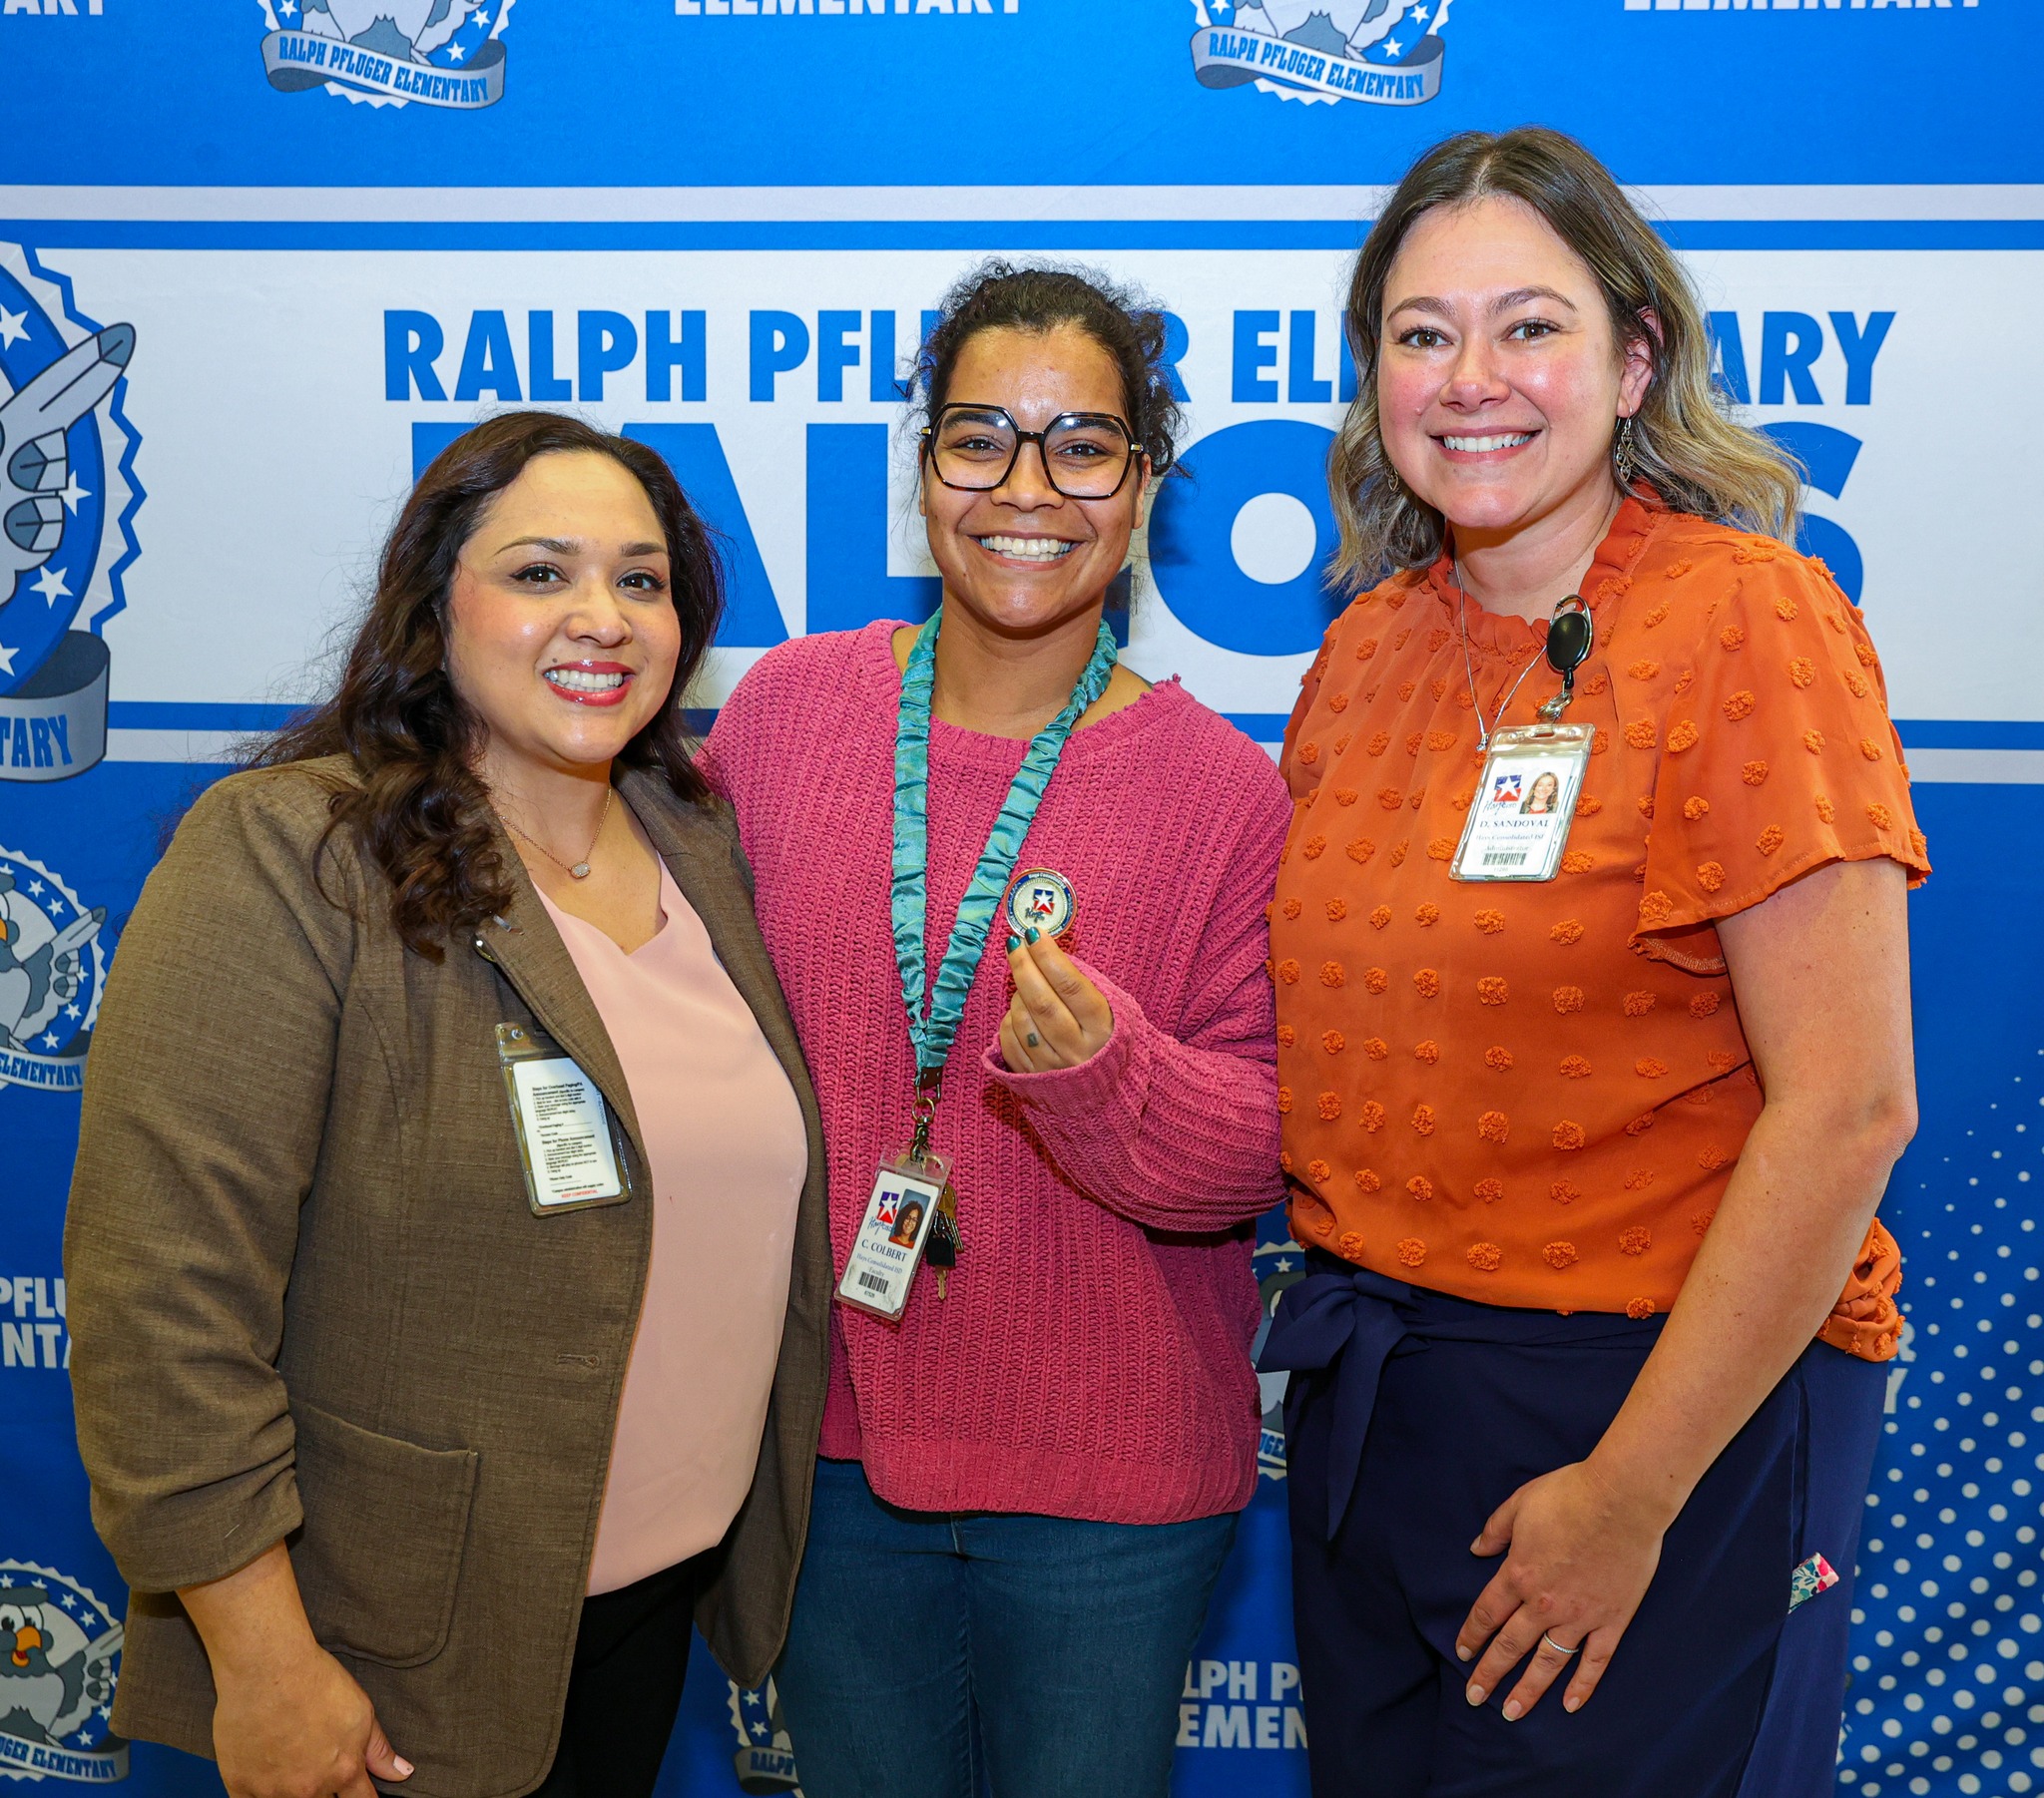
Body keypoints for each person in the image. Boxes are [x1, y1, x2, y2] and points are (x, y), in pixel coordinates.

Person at [1262, 127, 1927, 1798]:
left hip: (1652, 1400)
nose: (1471, 378)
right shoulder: (1366, 646)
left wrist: (1632, 1491)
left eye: (1528, 326)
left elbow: (1848, 1107)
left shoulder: (1748, 621)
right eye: (1422, 335)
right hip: (1376, 1389)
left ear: (1635, 360)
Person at [64, 412, 830, 1798]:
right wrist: (264, 1661)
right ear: (435, 602)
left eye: (643, 580)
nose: (602, 616)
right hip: (385, 1654)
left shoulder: (698, 845)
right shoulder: (297, 854)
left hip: (647, 1605)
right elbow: (158, 1301)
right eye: (542, 571)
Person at [703, 261, 1290, 1798]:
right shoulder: (783, 713)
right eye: (981, 439)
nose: (1028, 488)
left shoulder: (1228, 792)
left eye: (1082, 445)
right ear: (921, 473)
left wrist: (1110, 1078)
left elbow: (1265, 1150)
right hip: (826, 1455)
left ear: (1145, 484)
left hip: (1113, 1483)